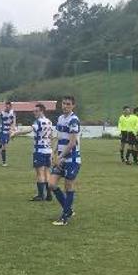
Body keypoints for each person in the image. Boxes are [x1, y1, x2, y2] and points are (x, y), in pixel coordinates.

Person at [50, 95, 81, 226]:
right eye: (64, 103)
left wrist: (60, 157)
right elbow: (59, 138)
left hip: (72, 159)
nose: (65, 106)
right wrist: (54, 152)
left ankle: (64, 218)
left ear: (73, 106)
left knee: (68, 186)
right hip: (61, 157)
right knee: (51, 184)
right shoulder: (60, 118)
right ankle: (68, 209)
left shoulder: (74, 120)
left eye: (68, 104)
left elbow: (72, 143)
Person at [13, 103, 54, 202]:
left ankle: (41, 195)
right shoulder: (49, 122)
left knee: (40, 173)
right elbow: (51, 136)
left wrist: (16, 133)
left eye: (36, 111)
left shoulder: (38, 122)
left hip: (39, 150)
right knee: (47, 172)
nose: (34, 113)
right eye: (34, 111)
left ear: (41, 111)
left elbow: (29, 130)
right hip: (48, 150)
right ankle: (49, 195)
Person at [0, 101, 17, 167]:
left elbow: (14, 121)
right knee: (4, 146)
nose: (7, 108)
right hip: (3, 131)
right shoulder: (1, 113)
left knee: (1, 145)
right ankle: (4, 163)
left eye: (8, 107)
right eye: (6, 107)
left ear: (10, 107)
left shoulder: (13, 113)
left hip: (8, 132)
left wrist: (12, 129)